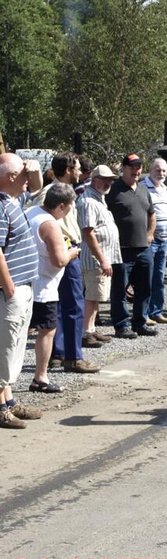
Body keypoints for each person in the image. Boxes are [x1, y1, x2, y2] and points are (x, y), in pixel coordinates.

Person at [32, 152, 100, 373]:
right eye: (78, 168)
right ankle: (73, 356)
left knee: (59, 305)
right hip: (62, 252)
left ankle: (58, 354)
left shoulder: (59, 191)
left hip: (62, 250)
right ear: (68, 170)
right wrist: (63, 246)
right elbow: (46, 221)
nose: (80, 172)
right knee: (72, 305)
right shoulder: (50, 194)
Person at [26, 183, 81, 393]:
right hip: (44, 286)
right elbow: (59, 260)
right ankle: (41, 377)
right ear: (60, 206)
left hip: (26, 282)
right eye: (69, 207)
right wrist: (72, 253)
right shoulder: (50, 224)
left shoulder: (31, 212)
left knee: (21, 333)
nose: (69, 211)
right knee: (47, 331)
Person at [0, 153, 41, 428]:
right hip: (11, 290)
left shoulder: (15, 198)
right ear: (12, 177)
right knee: (5, 348)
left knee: (14, 347)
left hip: (24, 285)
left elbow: (37, 185)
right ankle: (1, 407)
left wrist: (31, 168)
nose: (28, 179)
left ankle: (9, 400)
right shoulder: (1, 206)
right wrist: (9, 286)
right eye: (23, 175)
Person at [106, 153, 157, 338]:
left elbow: (152, 214)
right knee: (120, 289)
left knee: (145, 287)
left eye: (139, 167)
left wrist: (150, 234)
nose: (137, 170)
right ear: (124, 168)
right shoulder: (113, 190)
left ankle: (140, 322)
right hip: (121, 249)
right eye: (133, 167)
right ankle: (121, 325)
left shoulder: (144, 190)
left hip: (143, 248)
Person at [77, 165, 121, 347]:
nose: (109, 182)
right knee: (92, 296)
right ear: (94, 179)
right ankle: (86, 332)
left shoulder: (99, 198)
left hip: (102, 256)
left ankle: (91, 328)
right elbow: (88, 232)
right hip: (95, 257)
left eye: (110, 179)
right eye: (105, 179)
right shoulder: (88, 201)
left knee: (97, 295)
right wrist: (102, 259)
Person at [142, 158, 167, 324]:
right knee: (146, 277)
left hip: (164, 238)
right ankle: (144, 313)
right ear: (150, 170)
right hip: (150, 238)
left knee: (159, 277)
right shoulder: (143, 187)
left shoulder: (164, 188)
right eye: (158, 170)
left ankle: (156, 311)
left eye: (164, 171)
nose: (161, 174)